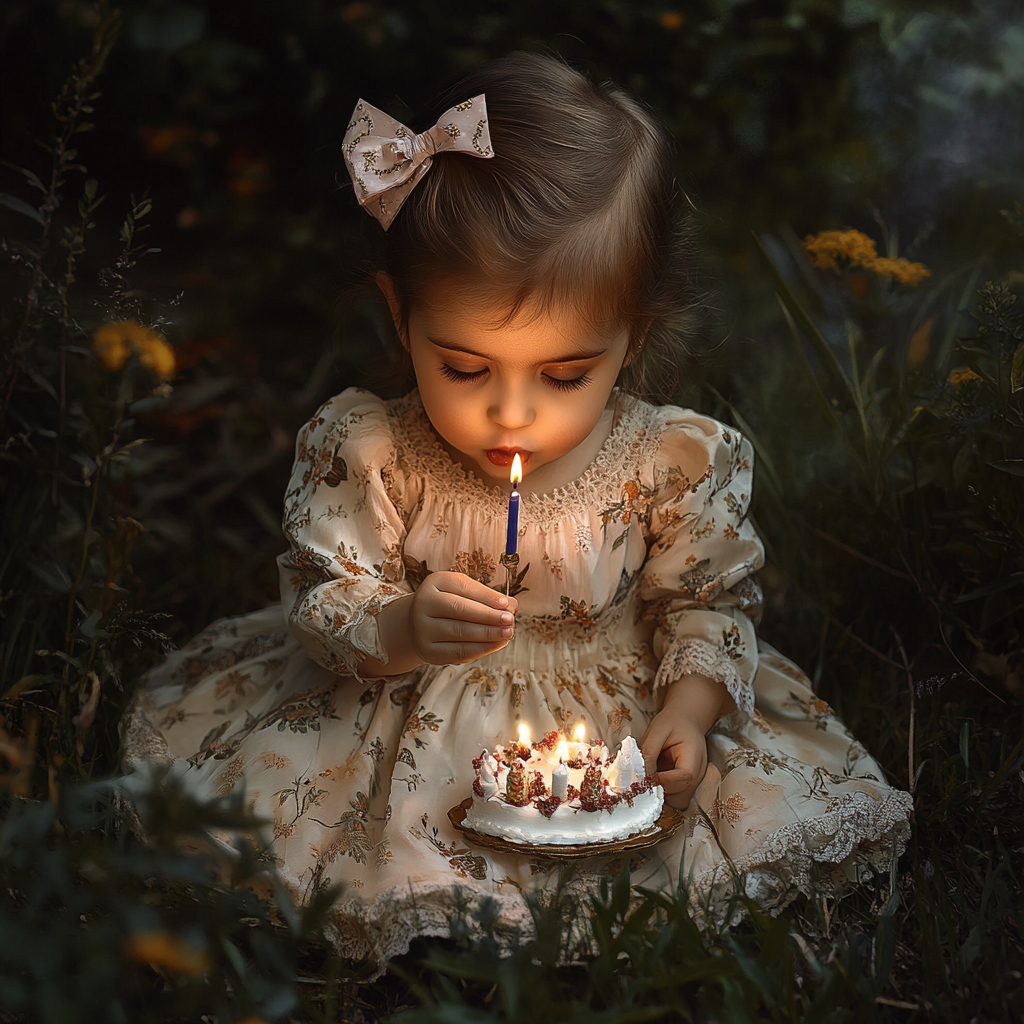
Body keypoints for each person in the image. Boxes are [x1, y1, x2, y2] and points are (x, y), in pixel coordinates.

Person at [121, 51, 913, 972]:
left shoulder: (672, 462)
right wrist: (402, 624)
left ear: (635, 338)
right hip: (401, 719)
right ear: (398, 315)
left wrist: (691, 712)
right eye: (464, 367)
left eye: (566, 374)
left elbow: (707, 603)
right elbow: (325, 594)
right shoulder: (371, 451)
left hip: (617, 713)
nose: (512, 413)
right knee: (360, 846)